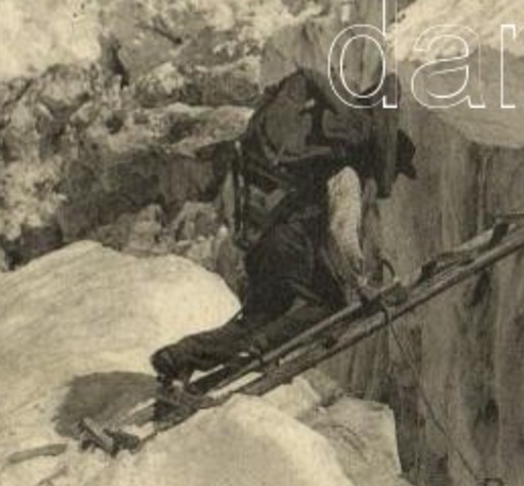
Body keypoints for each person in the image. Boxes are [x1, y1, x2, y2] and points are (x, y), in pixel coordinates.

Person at [150, 66, 415, 386]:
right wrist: (360, 282)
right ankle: (259, 348)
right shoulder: (348, 171)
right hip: (289, 244)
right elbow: (341, 230)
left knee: (258, 318)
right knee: (330, 305)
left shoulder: (318, 153)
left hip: (264, 240)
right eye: (396, 171)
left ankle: (180, 356)